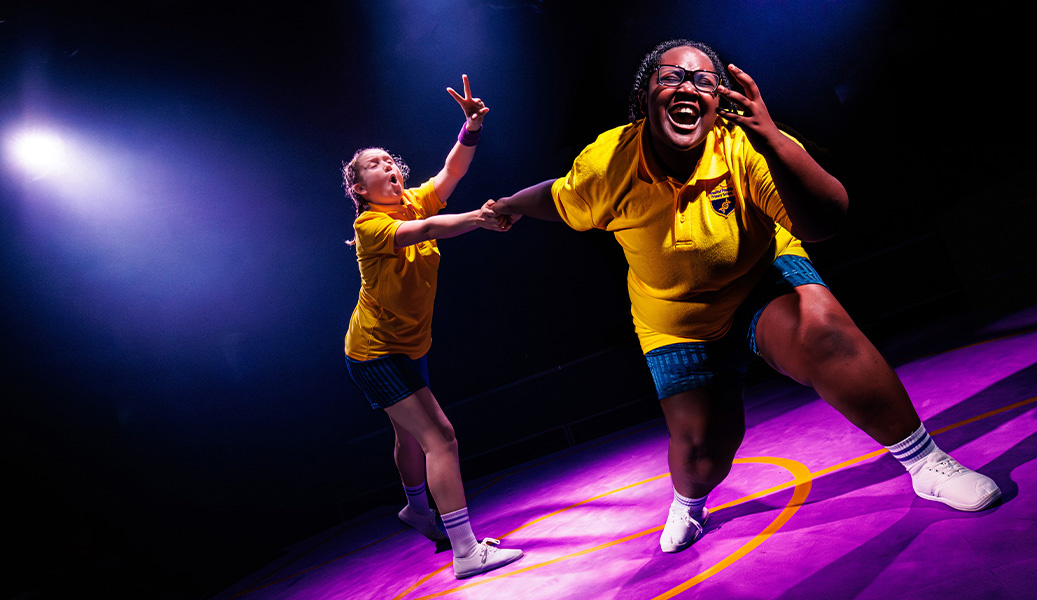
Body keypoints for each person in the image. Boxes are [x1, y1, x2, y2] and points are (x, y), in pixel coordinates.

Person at [491, 40, 1000, 553]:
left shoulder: (744, 143)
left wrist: (775, 140)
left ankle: (926, 463)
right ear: (646, 95)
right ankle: (688, 503)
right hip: (675, 320)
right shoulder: (607, 164)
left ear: (720, 101)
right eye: (672, 77)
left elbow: (827, 221)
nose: (689, 87)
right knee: (704, 456)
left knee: (824, 333)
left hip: (759, 276)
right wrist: (510, 204)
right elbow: (559, 196)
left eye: (705, 81)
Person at [342, 75, 523, 578]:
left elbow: (451, 172)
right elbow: (425, 229)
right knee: (440, 438)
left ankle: (417, 509)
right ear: (360, 188)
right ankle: (465, 550)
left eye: (389, 160)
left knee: (408, 434)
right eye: (375, 165)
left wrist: (471, 126)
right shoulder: (370, 226)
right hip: (376, 353)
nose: (389, 166)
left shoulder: (413, 200)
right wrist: (479, 220)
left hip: (408, 347)